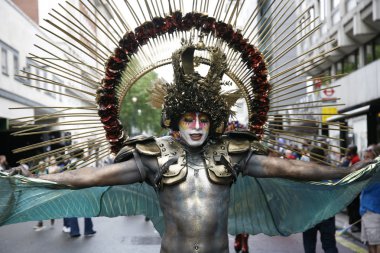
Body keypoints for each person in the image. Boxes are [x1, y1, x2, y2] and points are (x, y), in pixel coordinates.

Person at [3, 44, 379, 253]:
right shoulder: (154, 156)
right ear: (175, 121)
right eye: (188, 119)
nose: (197, 126)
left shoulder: (232, 154)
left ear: (214, 121)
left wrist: (351, 173)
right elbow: (90, 177)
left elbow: (291, 169)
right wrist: (29, 183)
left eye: (204, 119)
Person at [302, 147, 338, 253]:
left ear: (310, 157)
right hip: (327, 212)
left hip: (309, 214)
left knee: (309, 246)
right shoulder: (332, 172)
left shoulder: (303, 172)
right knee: (329, 245)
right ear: (324, 157)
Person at [360, 144, 380, 253]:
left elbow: (363, 186)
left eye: (368, 158)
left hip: (373, 212)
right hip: (367, 212)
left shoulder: (375, 172)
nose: (365, 160)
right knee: (370, 243)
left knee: (376, 243)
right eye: (364, 157)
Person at [345, 145, 362, 232]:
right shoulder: (352, 159)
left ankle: (356, 225)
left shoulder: (356, 160)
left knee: (354, 208)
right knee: (352, 208)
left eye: (348, 149)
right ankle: (353, 224)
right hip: (351, 188)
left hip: (354, 188)